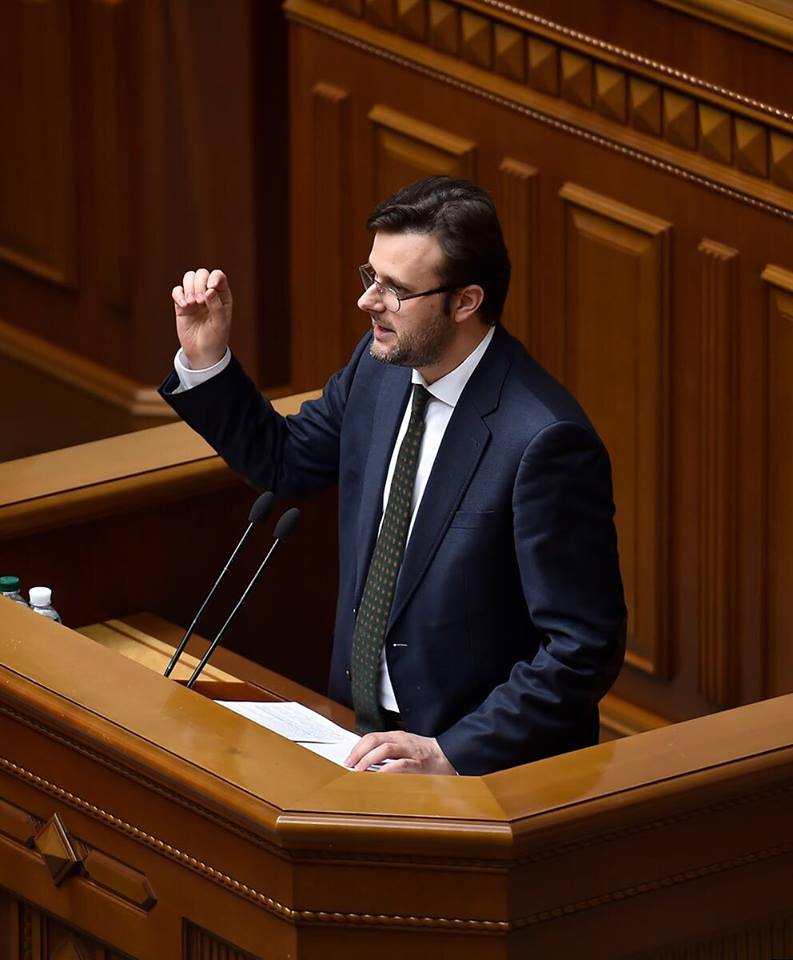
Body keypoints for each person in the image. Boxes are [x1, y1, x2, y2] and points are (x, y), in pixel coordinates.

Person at [161, 176, 626, 776]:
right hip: (356, 736)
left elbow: (581, 648)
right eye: (371, 276)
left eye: (395, 289)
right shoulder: (380, 368)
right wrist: (207, 359)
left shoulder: (544, 440)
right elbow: (288, 462)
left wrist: (450, 753)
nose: (368, 302)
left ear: (466, 301)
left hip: (476, 772)